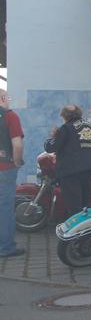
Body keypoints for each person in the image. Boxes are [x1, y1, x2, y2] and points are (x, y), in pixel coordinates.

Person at [45, 105, 91, 216]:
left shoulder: (66, 128)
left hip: (72, 172)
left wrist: (52, 136)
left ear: (64, 117)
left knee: (75, 207)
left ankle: (78, 226)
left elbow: (51, 147)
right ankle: (90, 225)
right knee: (90, 205)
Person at [0, 89, 25, 258]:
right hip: (5, 168)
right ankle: (6, 247)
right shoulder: (10, 116)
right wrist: (16, 162)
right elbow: (17, 145)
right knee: (5, 208)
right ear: (3, 98)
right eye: (7, 97)